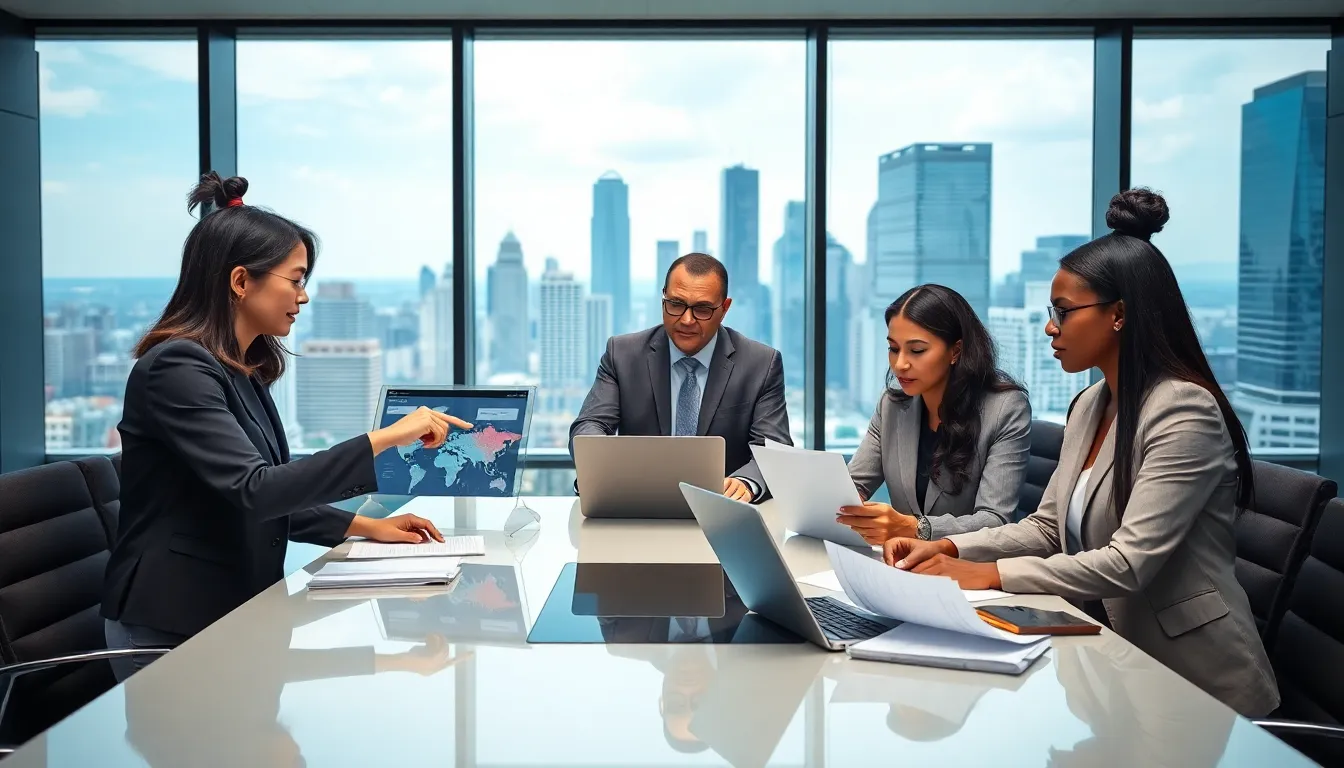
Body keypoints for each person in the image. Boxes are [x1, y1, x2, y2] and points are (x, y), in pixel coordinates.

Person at [882, 189, 1278, 716]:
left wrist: (989, 574)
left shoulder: (1185, 411)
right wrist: (951, 551)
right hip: (1108, 668)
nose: (1050, 326)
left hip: (1192, 685)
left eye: (1063, 312)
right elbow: (1047, 530)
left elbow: (1129, 565)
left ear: (1118, 314)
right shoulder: (1092, 403)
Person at [103, 171, 472, 675]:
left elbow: (269, 498)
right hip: (173, 625)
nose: (303, 296)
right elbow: (256, 490)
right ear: (240, 281)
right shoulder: (176, 369)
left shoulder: (238, 371)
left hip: (229, 614)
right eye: (295, 280)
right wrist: (390, 436)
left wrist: (368, 527)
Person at [569, 252, 791, 502]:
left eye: (702, 309)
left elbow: (774, 449)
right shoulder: (622, 354)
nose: (686, 320)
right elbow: (590, 424)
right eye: (675, 304)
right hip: (638, 507)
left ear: (724, 308)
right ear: (663, 298)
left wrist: (745, 483)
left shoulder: (760, 364)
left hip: (725, 512)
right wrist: (600, 465)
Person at [840, 285, 1031, 545]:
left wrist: (915, 528)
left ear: (955, 351)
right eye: (893, 349)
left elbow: (995, 520)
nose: (900, 364)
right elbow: (854, 486)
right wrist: (841, 501)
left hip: (966, 571)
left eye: (917, 350)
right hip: (901, 567)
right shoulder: (892, 406)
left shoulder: (1005, 409)